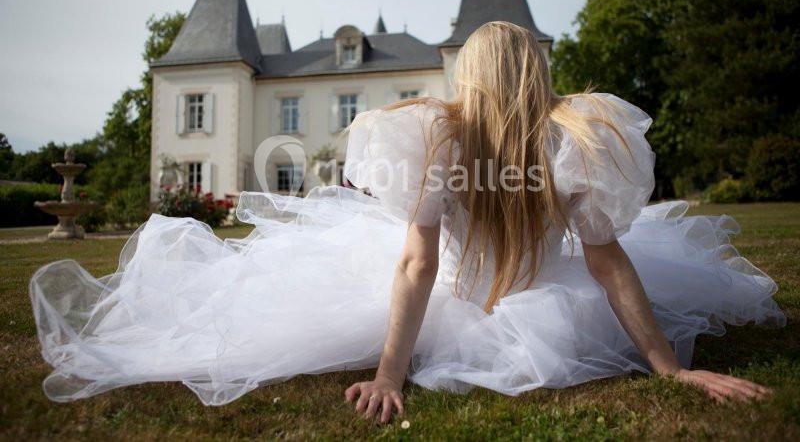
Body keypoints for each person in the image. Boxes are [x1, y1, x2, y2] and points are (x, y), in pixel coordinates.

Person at [30, 22, 784, 424]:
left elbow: (600, 260)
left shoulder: (560, 143)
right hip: (480, 291)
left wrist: (671, 367)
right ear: (534, 76)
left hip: (511, 293)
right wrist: (389, 369)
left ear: (474, 77)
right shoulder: (447, 140)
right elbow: (430, 265)